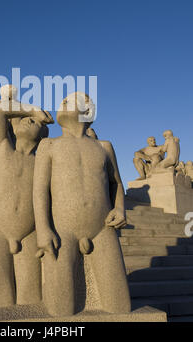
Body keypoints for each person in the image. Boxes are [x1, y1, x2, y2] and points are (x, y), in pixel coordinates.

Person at [33, 92, 131, 316]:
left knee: (120, 306)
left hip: (102, 229)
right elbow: (39, 190)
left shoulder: (104, 147)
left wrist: (119, 208)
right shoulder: (48, 145)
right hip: (62, 230)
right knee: (62, 309)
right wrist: (43, 229)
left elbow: (116, 183)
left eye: (68, 101)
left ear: (88, 111)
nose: (61, 104)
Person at [0, 86, 53, 308]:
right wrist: (33, 110)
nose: (28, 120)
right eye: (24, 119)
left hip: (30, 231)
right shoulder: (0, 148)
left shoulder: (41, 163)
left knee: (30, 299)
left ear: (43, 136)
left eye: (34, 122)